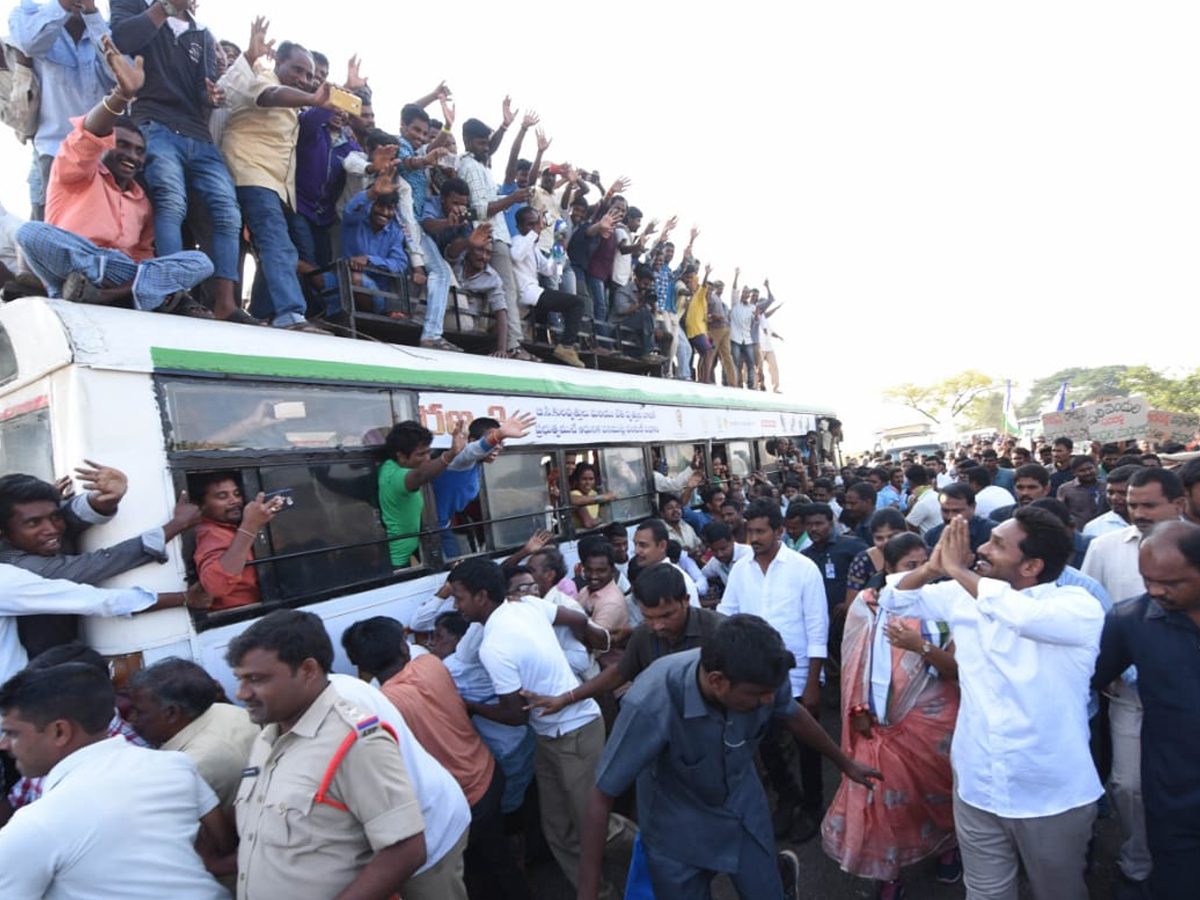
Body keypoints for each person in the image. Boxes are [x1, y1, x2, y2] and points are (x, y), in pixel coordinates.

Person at [880, 509, 1103, 900]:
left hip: (1048, 793)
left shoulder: (1075, 606)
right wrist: (933, 568)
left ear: (1033, 565)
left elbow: (1019, 615)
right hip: (977, 782)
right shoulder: (963, 594)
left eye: (997, 544)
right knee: (984, 891)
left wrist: (956, 570)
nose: (982, 548)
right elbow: (895, 599)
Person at [576, 614, 882, 900]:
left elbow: (793, 714)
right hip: (676, 832)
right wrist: (588, 893)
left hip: (742, 811)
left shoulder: (766, 674)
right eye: (758, 696)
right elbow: (602, 796)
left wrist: (844, 763)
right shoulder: (652, 701)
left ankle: (781, 877)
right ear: (718, 681)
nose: (768, 701)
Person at [448, 558, 635, 900]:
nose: (456, 606)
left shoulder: (494, 646)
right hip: (550, 736)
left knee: (598, 828)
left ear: (482, 596)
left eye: (459, 597)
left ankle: (663, 859)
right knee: (558, 831)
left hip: (574, 733)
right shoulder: (528, 605)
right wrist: (595, 637)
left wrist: (469, 707)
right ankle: (600, 894)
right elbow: (577, 619)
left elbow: (515, 715)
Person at [226, 609, 429, 899]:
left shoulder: (355, 743)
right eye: (240, 679)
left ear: (308, 670)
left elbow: (405, 850)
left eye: (256, 679)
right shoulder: (267, 736)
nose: (241, 693)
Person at [15, 36, 214, 315]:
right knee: (29, 232)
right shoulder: (77, 171)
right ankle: (123, 292)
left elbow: (143, 255)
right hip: (75, 263)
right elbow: (88, 134)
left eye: (138, 151)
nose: (131, 155)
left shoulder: (141, 201)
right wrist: (121, 95)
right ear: (107, 145)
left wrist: (136, 274)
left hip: (122, 269)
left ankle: (108, 295)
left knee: (200, 262)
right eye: (122, 145)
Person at [0, 662, 231, 899]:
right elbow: (224, 844)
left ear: (60, 731)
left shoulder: (36, 824)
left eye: (12, 733)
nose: (3, 744)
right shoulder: (173, 765)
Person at [341, 616, 527, 900]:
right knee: (499, 861)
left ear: (361, 666)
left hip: (459, 800)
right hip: (488, 774)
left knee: (474, 877)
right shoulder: (431, 665)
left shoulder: (383, 705)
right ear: (404, 649)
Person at [823, 533, 961, 898]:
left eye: (924, 566)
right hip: (877, 721)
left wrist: (921, 647)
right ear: (889, 570)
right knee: (883, 799)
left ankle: (948, 847)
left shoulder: (944, 603)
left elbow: (958, 669)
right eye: (909, 568)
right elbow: (856, 663)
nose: (919, 575)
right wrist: (859, 710)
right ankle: (889, 871)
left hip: (933, 720)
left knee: (937, 790)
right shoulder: (868, 606)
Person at [1081, 465, 1187, 894]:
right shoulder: (1104, 547)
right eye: (1132, 504)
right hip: (1127, 691)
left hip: (1185, 688)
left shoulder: (1194, 545)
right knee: (1128, 784)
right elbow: (1088, 608)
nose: (1137, 512)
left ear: (1179, 504)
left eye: (1149, 505)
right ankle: (1137, 862)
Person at [109, 0, 244, 322]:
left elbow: (203, 89)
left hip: (197, 133)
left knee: (227, 212)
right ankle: (174, 293)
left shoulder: (203, 33)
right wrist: (166, 7)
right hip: (154, 123)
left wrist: (211, 97)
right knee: (171, 203)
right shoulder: (132, 5)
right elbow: (122, 40)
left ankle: (227, 304)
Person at [1092, 521, 1200, 900]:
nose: (1155, 591)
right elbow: (1091, 680)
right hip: (1174, 795)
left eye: (1171, 583)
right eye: (1147, 580)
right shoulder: (1129, 621)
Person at [718, 499, 830, 840]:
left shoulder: (803, 568)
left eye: (760, 531)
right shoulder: (740, 570)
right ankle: (787, 798)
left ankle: (813, 806)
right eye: (749, 531)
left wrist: (813, 682)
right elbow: (727, 615)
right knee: (766, 744)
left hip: (796, 677)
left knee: (808, 746)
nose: (753, 538)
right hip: (754, 677)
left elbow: (817, 627)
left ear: (779, 531)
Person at [219, 22, 336, 330]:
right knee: (277, 243)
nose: (304, 79)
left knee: (269, 248)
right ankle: (289, 313)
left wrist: (320, 102)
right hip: (251, 173)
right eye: (297, 70)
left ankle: (264, 313)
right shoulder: (264, 79)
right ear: (277, 63)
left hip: (274, 185)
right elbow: (269, 95)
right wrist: (311, 99)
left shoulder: (296, 104)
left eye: (309, 76)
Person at [126, 656, 258, 808]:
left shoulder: (187, 768)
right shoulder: (230, 711)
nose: (131, 718)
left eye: (139, 711)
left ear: (171, 713)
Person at [433, 414, 535, 560]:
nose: (497, 447)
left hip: (445, 524)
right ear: (472, 441)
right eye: (493, 441)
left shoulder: (478, 466)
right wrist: (499, 434)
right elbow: (471, 451)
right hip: (433, 529)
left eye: (501, 443)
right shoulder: (460, 460)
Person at [191, 471, 288, 611]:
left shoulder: (235, 526)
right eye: (222, 496)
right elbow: (216, 586)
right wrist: (250, 526)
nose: (234, 500)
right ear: (201, 505)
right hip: (241, 615)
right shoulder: (210, 533)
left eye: (237, 494)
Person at [379, 420, 467, 567]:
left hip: (407, 553)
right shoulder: (395, 477)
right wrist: (451, 454)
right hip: (397, 561)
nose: (427, 458)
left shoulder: (390, 465)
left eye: (429, 452)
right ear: (401, 456)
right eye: (421, 454)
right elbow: (421, 475)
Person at [511, 205, 587, 367]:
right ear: (519, 227)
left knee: (572, 305)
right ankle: (566, 346)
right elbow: (516, 255)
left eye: (536, 223)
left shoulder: (533, 247)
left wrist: (559, 247)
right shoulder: (517, 241)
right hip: (527, 293)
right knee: (577, 303)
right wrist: (535, 232)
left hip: (534, 294)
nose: (535, 228)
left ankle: (566, 344)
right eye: (530, 224)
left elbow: (549, 270)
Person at [844, 507, 907, 604]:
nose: (886, 542)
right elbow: (852, 604)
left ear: (906, 533)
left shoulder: (920, 556)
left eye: (892, 536)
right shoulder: (864, 560)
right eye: (879, 538)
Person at [923, 483, 995, 554]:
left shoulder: (991, 533)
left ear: (972, 507)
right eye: (945, 511)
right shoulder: (932, 536)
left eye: (957, 511)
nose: (950, 517)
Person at [1083, 464, 1138, 537]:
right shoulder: (1094, 528)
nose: (1114, 498)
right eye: (1110, 492)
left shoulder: (1156, 524)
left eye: (1122, 493)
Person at [1057, 455, 1105, 530]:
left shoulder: (1105, 486)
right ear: (1074, 473)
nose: (1087, 472)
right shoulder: (1065, 489)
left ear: (1095, 467)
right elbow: (1061, 512)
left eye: (1090, 468)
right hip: (1079, 532)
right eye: (1082, 471)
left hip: (1103, 530)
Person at [569, 463, 616, 530]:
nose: (588, 483)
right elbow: (589, 523)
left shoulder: (594, 493)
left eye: (591, 479)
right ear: (577, 480)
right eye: (584, 479)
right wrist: (601, 520)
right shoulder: (575, 494)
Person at [903, 464, 941, 535]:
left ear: (909, 481)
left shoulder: (922, 503)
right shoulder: (936, 495)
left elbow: (907, 527)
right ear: (927, 479)